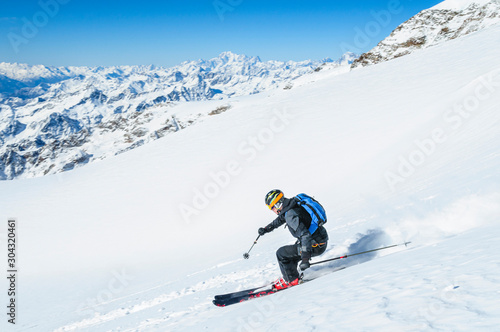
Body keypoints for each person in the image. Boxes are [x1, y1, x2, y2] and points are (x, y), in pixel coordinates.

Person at [259, 189, 329, 291]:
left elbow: (305, 235)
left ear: (278, 204)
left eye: (272, 207)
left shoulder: (290, 215)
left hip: (315, 245)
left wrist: (305, 259)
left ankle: (291, 280)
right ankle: (291, 276)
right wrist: (266, 229)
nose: (273, 210)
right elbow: (281, 219)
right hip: (319, 240)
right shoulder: (292, 204)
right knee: (291, 253)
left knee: (281, 254)